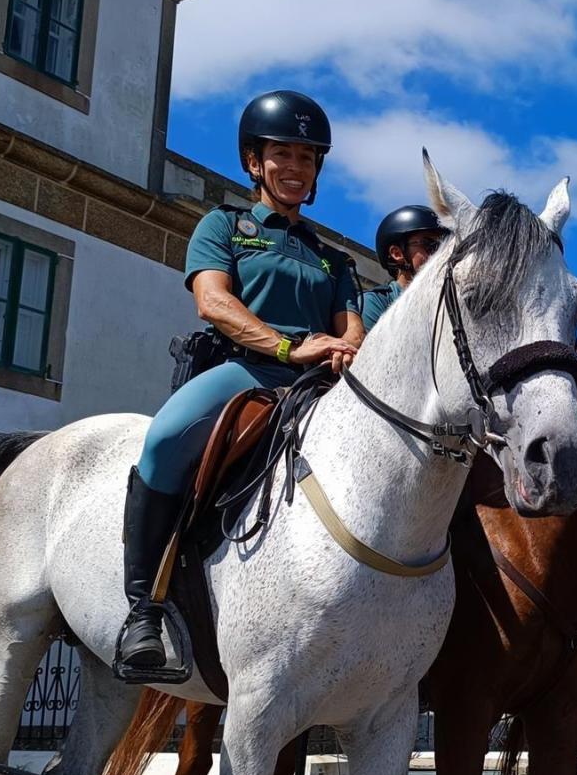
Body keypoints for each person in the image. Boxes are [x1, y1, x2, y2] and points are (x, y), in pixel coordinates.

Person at [114, 89, 365, 682]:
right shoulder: (224, 225)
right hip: (246, 372)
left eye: (308, 159)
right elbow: (213, 300)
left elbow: (349, 322)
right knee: (164, 440)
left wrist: (345, 346)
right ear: (254, 162)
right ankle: (143, 610)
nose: (297, 169)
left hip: (319, 384)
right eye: (284, 155)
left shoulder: (333, 260)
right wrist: (285, 345)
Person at [362, 205, 447, 330]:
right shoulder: (376, 302)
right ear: (397, 253)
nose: (439, 253)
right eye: (430, 244)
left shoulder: (446, 307)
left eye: (443, 246)